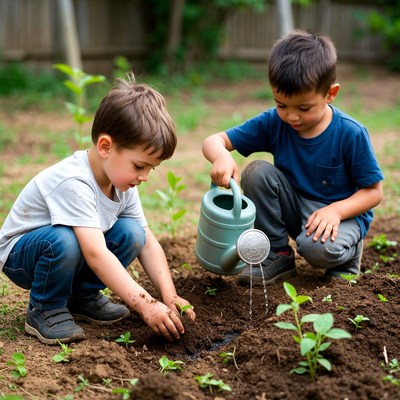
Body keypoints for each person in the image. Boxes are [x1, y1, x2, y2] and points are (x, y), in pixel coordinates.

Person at [0, 72, 195, 344]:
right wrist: (145, 304)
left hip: (66, 251)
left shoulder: (122, 183)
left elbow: (148, 243)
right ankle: (45, 308)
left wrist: (169, 295)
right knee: (64, 240)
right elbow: (94, 253)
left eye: (152, 168)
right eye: (139, 166)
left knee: (133, 233)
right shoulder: (74, 181)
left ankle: (81, 297)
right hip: (24, 255)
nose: (145, 176)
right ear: (105, 146)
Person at [202, 30, 384, 286]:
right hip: (296, 208)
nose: (291, 117)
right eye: (281, 104)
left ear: (330, 94)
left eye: (304, 108)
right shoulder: (275, 122)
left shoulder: (350, 133)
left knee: (317, 251)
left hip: (342, 216)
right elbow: (213, 140)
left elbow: (374, 192)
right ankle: (278, 255)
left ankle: (347, 257)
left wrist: (335, 211)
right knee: (256, 172)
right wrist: (220, 155)